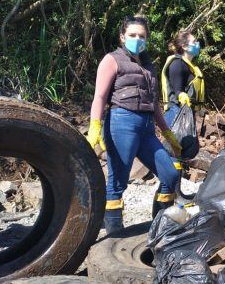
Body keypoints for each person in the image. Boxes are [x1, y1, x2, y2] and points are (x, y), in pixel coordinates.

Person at [86, 15, 183, 234]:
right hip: (122, 122)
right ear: (122, 37)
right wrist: (94, 126)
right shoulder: (112, 59)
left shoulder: (148, 66)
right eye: (132, 35)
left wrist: (168, 134)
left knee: (170, 174)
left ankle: (160, 221)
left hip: (146, 127)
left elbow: (154, 103)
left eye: (142, 36)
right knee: (118, 181)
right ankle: (114, 230)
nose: (137, 39)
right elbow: (100, 97)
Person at [161, 30, 205, 127]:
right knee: (175, 143)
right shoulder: (177, 64)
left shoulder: (189, 66)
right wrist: (182, 96)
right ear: (185, 47)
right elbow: (177, 91)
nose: (197, 44)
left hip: (186, 112)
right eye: (194, 42)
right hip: (175, 112)